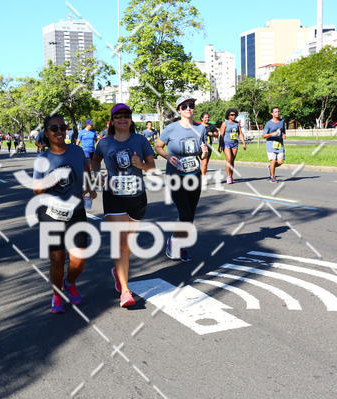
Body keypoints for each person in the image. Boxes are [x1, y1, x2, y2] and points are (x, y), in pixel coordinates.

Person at [92, 104, 155, 307]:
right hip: (114, 197)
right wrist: (97, 175)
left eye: (126, 116)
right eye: (118, 116)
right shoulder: (104, 143)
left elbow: (152, 168)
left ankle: (117, 272)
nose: (122, 119)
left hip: (137, 197)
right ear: (112, 121)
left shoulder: (141, 140)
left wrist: (141, 166)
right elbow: (95, 161)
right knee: (121, 243)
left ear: (130, 120)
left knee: (127, 245)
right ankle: (126, 291)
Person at [33, 114, 96, 313]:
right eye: (54, 128)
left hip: (76, 212)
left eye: (63, 127)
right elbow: (36, 189)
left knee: (79, 259)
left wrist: (89, 187)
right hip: (51, 214)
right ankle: (57, 293)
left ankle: (70, 282)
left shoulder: (77, 151)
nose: (59, 131)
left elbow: (86, 170)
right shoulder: (42, 157)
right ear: (46, 132)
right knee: (57, 259)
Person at [155, 95, 208, 262]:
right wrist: (167, 156)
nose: (188, 109)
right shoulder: (171, 129)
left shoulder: (201, 129)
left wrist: (204, 153)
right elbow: (158, 146)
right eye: (184, 107)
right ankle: (177, 244)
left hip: (194, 175)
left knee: (190, 215)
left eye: (191, 105)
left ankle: (177, 240)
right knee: (184, 212)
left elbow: (201, 150)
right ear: (179, 110)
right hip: (175, 175)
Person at [220, 108, 247, 184]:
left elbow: (240, 134)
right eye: (231, 115)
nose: (233, 116)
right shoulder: (225, 123)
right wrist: (220, 145)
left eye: (235, 115)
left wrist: (244, 143)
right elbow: (221, 135)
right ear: (228, 116)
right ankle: (228, 177)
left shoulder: (237, 123)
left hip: (234, 143)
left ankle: (231, 176)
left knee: (232, 160)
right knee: (228, 159)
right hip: (226, 143)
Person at [262, 107, 286, 183]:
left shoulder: (282, 121)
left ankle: (271, 167)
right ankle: (273, 177)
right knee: (273, 160)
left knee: (280, 162)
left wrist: (283, 135)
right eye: (275, 112)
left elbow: (283, 130)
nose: (277, 113)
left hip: (279, 145)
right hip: (270, 144)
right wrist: (273, 134)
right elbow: (263, 135)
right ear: (272, 113)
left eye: (278, 111)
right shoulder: (268, 124)